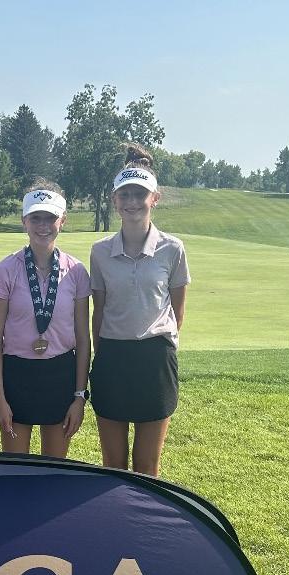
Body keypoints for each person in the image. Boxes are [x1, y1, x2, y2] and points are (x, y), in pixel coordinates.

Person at [89, 144, 190, 476]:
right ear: (115, 200)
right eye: (125, 194)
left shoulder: (173, 249)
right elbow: (99, 310)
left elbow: (177, 310)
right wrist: (103, 354)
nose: (132, 201)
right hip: (112, 358)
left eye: (140, 194)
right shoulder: (100, 251)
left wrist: (163, 345)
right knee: (113, 464)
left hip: (154, 359)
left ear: (154, 198)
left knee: (147, 465)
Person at [0, 180, 91, 457]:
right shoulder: (6, 269)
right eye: (36, 218)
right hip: (17, 375)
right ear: (24, 221)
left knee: (53, 470)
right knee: (16, 468)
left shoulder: (77, 271)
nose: (43, 225)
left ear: (62, 221)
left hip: (60, 375)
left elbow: (83, 339)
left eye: (50, 218)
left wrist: (79, 397)